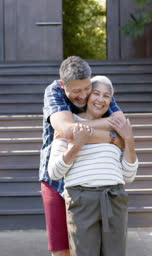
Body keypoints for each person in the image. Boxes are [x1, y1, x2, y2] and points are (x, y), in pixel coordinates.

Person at [40, 56, 124, 256]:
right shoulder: (54, 91)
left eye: (86, 89)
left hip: (87, 179)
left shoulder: (96, 89)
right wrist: (109, 133)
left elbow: (121, 124)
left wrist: (84, 130)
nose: (84, 95)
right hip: (56, 179)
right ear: (63, 85)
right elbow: (68, 132)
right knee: (62, 250)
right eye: (77, 91)